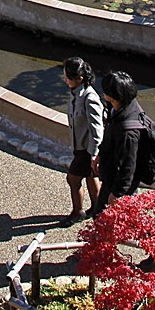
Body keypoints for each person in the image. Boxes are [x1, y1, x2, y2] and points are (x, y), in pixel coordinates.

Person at [93, 71, 145, 217]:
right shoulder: (119, 108)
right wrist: (101, 155)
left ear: (111, 95)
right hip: (112, 175)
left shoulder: (128, 131)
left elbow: (128, 166)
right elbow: (108, 134)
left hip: (119, 184)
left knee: (102, 220)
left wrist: (116, 194)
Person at [62, 57, 103, 225]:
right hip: (80, 147)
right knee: (90, 176)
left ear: (79, 79)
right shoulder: (76, 94)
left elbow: (97, 129)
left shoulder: (89, 98)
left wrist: (93, 155)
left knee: (73, 179)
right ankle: (98, 209)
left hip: (86, 150)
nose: (65, 80)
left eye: (67, 77)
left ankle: (77, 212)